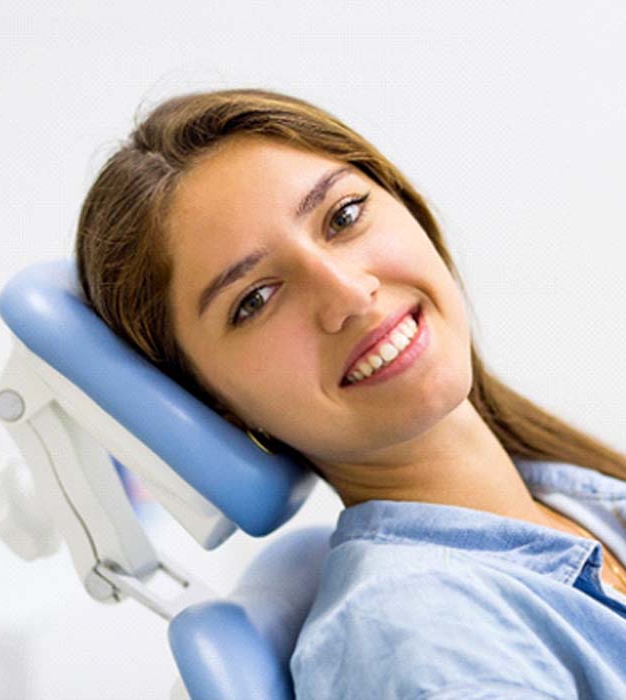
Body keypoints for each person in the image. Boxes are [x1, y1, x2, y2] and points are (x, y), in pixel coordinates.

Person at [73, 87, 626, 698]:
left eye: (342, 216)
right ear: (216, 406)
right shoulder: (431, 644)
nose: (348, 295)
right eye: (254, 300)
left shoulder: (570, 504)